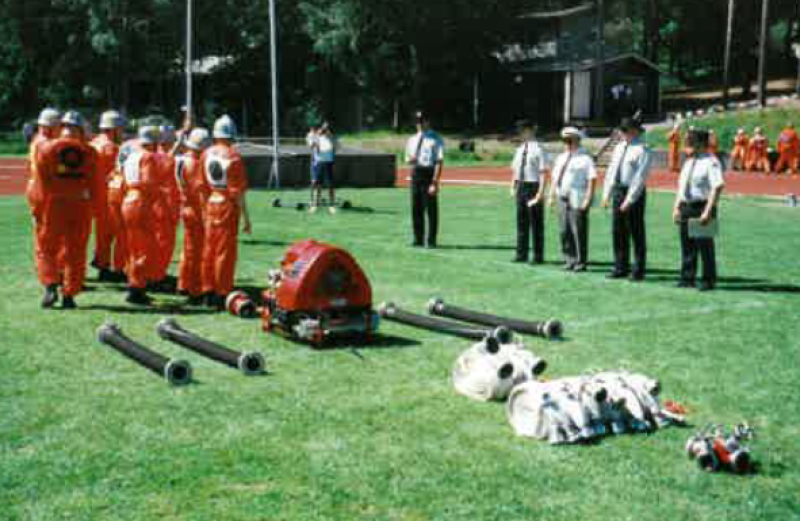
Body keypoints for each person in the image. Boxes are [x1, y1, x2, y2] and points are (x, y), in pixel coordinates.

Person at [34, 111, 97, 309]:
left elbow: (40, 182)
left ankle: (51, 284)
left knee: (47, 248)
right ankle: (70, 294)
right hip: (80, 204)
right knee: (76, 250)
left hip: (54, 203)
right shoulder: (91, 151)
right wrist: (94, 209)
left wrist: (38, 208)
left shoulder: (46, 149)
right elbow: (95, 184)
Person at [200, 115, 252, 309]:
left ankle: (207, 289)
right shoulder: (233, 156)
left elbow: (202, 185)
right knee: (224, 252)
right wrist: (247, 219)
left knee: (209, 250)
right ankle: (221, 292)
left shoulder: (206, 153)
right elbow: (238, 192)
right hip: (227, 206)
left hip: (211, 202)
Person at [672, 129, 724, 292]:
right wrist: (676, 207)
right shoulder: (688, 162)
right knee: (687, 244)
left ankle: (708, 279)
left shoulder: (711, 161)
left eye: (691, 142)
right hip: (687, 206)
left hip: (702, 206)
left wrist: (708, 211)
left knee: (705, 245)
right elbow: (681, 187)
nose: (688, 145)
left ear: (701, 143)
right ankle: (687, 277)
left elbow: (717, 186)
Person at [601, 117, 652, 281]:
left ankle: (638, 269)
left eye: (626, 130)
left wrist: (629, 200)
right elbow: (611, 171)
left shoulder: (642, 149)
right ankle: (620, 266)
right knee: (618, 231)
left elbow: (640, 178)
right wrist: (606, 194)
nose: (623, 133)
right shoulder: (619, 147)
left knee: (636, 231)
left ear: (635, 131)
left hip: (632, 192)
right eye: (622, 130)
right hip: (618, 190)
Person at [121, 126, 161, 305]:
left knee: (133, 247)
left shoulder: (132, 155)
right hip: (140, 201)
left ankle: (134, 283)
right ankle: (137, 288)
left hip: (128, 199)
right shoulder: (148, 157)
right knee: (144, 248)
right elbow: (149, 182)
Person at [549, 127, 597, 272]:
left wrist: (588, 198)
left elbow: (592, 179)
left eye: (570, 140)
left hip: (578, 198)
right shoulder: (561, 157)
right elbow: (555, 178)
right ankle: (569, 259)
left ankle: (581, 262)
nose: (567, 144)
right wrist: (551, 195)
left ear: (577, 140)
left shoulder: (585, 158)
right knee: (564, 230)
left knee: (579, 231)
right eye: (565, 141)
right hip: (562, 197)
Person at [176, 127, 211, 305]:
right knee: (198, 252)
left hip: (185, 207)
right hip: (196, 210)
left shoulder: (181, 160)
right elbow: (200, 192)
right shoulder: (195, 164)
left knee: (188, 250)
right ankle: (195, 290)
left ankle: (183, 283)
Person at [89, 110, 125, 281]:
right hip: (108, 195)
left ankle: (101, 262)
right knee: (118, 233)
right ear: (114, 129)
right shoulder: (110, 147)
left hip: (95, 195)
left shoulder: (95, 142)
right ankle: (114, 268)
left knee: (103, 234)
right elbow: (113, 173)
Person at [509, 120, 549, 264]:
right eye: (520, 130)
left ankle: (538, 255)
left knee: (536, 223)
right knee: (521, 222)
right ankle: (521, 253)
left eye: (524, 130)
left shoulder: (539, 148)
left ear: (531, 130)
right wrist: (513, 186)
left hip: (534, 186)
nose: (521, 133)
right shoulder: (520, 149)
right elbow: (515, 170)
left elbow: (543, 172)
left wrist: (540, 193)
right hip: (522, 186)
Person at [27, 108, 62, 273]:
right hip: (44, 188)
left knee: (43, 229)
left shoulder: (38, 140)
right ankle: (48, 268)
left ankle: (45, 266)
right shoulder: (45, 143)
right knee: (47, 230)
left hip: (37, 187)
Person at [405, 111, 444, 248]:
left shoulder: (436, 138)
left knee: (431, 208)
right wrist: (411, 160)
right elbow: (408, 159)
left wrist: (434, 182)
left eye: (421, 121)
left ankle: (432, 239)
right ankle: (418, 238)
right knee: (416, 208)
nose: (419, 124)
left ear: (428, 121)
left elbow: (439, 161)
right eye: (417, 121)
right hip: (416, 172)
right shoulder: (412, 139)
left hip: (429, 173)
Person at [310, 122, 338, 213]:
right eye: (323, 128)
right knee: (317, 185)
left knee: (330, 185)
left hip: (329, 163)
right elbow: (312, 146)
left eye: (326, 128)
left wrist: (330, 136)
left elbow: (336, 148)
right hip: (319, 163)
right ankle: (315, 205)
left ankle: (332, 206)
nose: (324, 130)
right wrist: (317, 136)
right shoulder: (317, 137)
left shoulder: (332, 138)